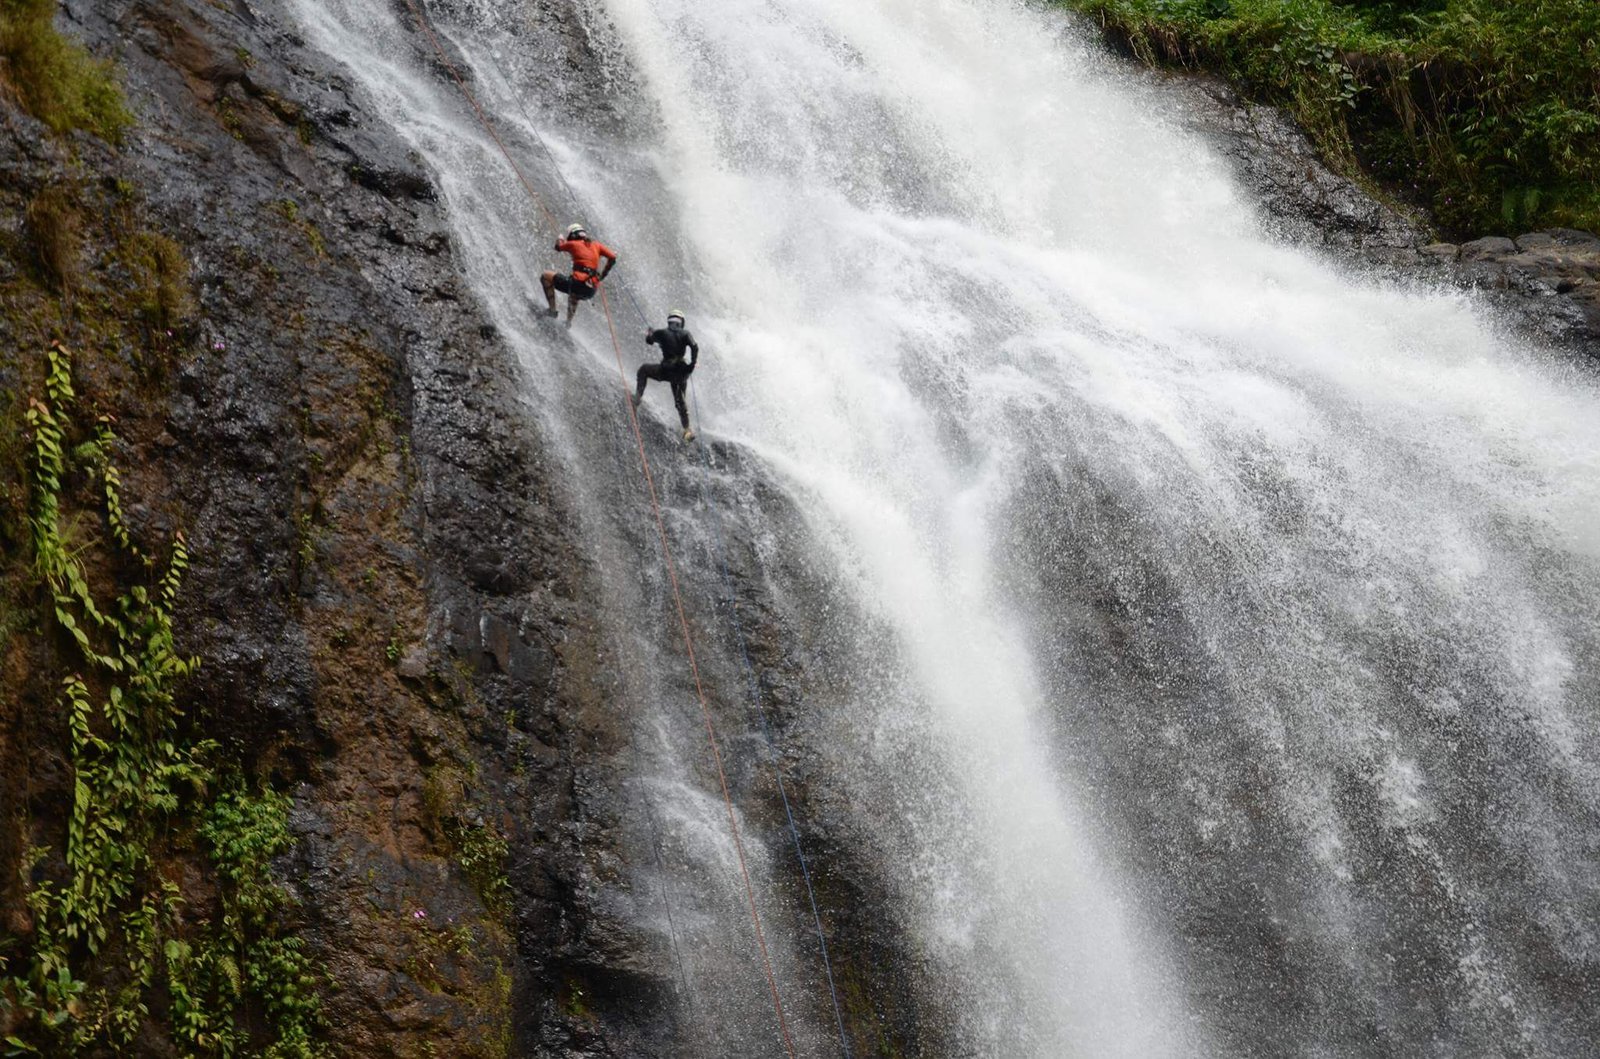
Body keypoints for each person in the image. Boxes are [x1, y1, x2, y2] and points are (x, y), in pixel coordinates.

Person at [633, 310, 699, 442]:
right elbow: (695, 347)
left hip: (665, 371)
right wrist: (692, 364)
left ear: (669, 321)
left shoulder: (661, 333)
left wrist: (651, 333)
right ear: (681, 322)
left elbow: (649, 340)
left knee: (643, 370)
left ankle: (637, 398)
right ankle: (687, 430)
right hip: (681, 373)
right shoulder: (686, 333)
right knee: (680, 401)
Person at [540, 223, 617, 326]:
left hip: (577, 283)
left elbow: (558, 247)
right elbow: (613, 257)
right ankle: (568, 322)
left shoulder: (573, 244)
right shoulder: (597, 245)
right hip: (591, 290)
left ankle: (552, 310)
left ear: (573, 236)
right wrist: (603, 275)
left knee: (545, 276)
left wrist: (560, 239)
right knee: (575, 295)